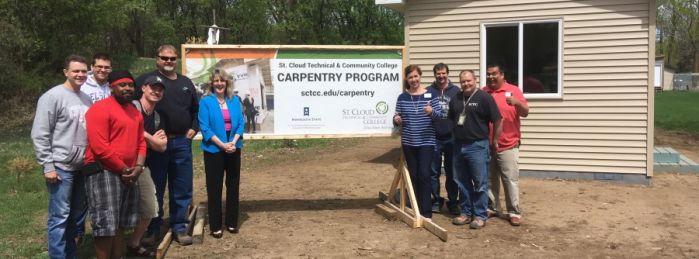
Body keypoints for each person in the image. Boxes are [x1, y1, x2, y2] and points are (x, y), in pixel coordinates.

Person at [135, 44, 199, 246]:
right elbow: (130, 108)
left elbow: (196, 110)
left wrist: (194, 128)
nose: (169, 62)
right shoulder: (146, 81)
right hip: (156, 145)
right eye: (165, 58)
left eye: (172, 58)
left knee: (182, 186)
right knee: (156, 186)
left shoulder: (185, 82)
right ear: (157, 59)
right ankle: (152, 229)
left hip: (181, 142)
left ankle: (179, 227)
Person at [30, 54, 91, 259]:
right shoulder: (52, 97)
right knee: (60, 217)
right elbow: (40, 133)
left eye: (83, 71)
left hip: (82, 166)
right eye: (76, 71)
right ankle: (57, 255)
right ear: (66, 72)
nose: (80, 74)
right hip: (61, 167)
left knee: (75, 217)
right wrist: (48, 166)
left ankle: (70, 254)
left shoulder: (86, 98)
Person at [83, 70, 146, 259]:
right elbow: (99, 146)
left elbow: (141, 142)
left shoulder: (135, 113)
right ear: (111, 87)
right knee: (105, 224)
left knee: (121, 222)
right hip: (104, 171)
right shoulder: (100, 109)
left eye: (130, 85)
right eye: (122, 85)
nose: (127, 88)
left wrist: (138, 167)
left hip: (129, 172)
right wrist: (124, 169)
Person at [449, 70, 502, 229]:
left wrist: (495, 141)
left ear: (475, 80)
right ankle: (466, 212)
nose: (466, 84)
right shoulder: (456, 98)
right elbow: (452, 119)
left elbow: (498, 120)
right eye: (463, 81)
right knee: (461, 181)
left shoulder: (485, 98)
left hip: (477, 146)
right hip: (459, 146)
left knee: (480, 183)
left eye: (469, 81)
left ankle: (479, 215)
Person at [198, 69, 245, 238]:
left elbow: (241, 123)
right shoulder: (206, 102)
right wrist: (222, 145)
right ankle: (216, 226)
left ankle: (232, 222)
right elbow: (205, 128)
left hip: (233, 148)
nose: (219, 84)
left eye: (222, 81)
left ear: (227, 83)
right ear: (212, 83)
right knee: (214, 188)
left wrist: (232, 142)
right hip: (214, 151)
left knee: (233, 187)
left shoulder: (235, 100)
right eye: (216, 81)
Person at [392, 65, 442, 220]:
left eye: (415, 76)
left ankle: (426, 212)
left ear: (420, 76)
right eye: (410, 77)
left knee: (425, 174)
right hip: (408, 142)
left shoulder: (431, 94)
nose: (413, 80)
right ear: (407, 79)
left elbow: (440, 116)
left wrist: (431, 112)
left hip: (426, 142)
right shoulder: (402, 97)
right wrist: (396, 120)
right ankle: (416, 208)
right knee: (414, 175)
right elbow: (396, 117)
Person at [483, 63, 529, 226]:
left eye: (494, 74)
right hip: (487, 145)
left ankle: (514, 211)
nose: (491, 77)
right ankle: (493, 207)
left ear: (502, 75)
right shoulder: (484, 92)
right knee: (489, 179)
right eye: (488, 74)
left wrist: (517, 102)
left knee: (510, 179)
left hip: (508, 144)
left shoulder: (514, 90)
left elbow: (525, 113)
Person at [127, 75, 168, 257]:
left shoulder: (157, 116)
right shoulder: (132, 107)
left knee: (151, 207)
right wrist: (151, 139)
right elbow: (130, 129)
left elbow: (162, 146)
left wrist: (146, 138)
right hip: (122, 163)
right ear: (143, 88)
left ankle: (134, 243)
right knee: (120, 208)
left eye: (160, 89)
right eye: (153, 87)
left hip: (143, 165)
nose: (156, 91)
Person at [76, 52, 112, 245]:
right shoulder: (83, 86)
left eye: (106, 67)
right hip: (86, 142)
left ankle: (105, 227)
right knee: (83, 192)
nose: (102, 70)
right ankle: (78, 231)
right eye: (99, 66)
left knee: (100, 191)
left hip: (108, 145)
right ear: (92, 67)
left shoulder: (111, 87)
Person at [426, 63, 461, 215]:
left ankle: (453, 202)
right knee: (433, 172)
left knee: (452, 171)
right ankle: (436, 200)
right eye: (438, 73)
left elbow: (462, 112)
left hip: (452, 137)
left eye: (443, 73)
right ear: (434, 74)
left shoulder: (456, 91)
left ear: (448, 74)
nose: (441, 76)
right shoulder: (428, 91)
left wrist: (459, 129)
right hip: (433, 137)